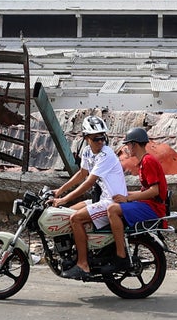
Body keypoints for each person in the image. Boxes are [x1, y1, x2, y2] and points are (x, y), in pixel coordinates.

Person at [50, 115, 128, 280]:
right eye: (96, 138)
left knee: (75, 219)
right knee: (66, 214)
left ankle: (83, 264)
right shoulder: (87, 151)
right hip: (101, 199)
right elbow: (81, 174)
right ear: (86, 138)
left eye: (103, 137)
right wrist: (59, 191)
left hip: (111, 202)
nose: (100, 141)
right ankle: (76, 253)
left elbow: (88, 182)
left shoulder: (106, 155)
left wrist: (64, 198)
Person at [107, 127, 168, 271]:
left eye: (128, 145)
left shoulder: (148, 162)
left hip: (153, 208)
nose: (127, 148)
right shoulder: (144, 161)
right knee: (114, 203)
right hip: (149, 205)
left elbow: (154, 191)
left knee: (112, 210)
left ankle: (120, 255)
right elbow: (146, 191)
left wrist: (128, 198)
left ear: (134, 144)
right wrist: (127, 195)